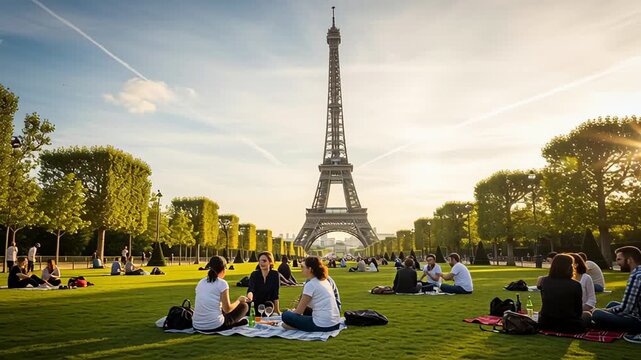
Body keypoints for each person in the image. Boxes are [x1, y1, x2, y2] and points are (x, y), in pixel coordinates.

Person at [590, 246, 641, 334]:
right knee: (612, 304)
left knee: (597, 314)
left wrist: (603, 311)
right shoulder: (638, 272)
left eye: (619, 259)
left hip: (637, 321)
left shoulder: (636, 276)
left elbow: (626, 309)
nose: (617, 263)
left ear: (629, 260)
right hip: (637, 312)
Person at [282, 256, 341, 332]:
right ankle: (296, 326)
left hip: (322, 325)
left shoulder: (310, 284)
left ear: (310, 269)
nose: (301, 269)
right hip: (335, 324)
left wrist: (292, 312)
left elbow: (299, 312)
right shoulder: (324, 281)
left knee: (285, 315)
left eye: (303, 267)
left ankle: (296, 327)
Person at [193, 256, 249, 332]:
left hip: (197, 325)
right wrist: (239, 300)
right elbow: (227, 309)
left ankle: (233, 323)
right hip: (215, 325)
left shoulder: (201, 282)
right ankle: (232, 324)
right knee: (244, 306)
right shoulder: (222, 283)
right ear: (223, 269)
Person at [538, 254, 588, 333]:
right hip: (569, 325)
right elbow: (578, 310)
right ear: (569, 267)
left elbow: (545, 303)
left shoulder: (544, 281)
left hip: (546, 323)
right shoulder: (576, 285)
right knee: (587, 315)